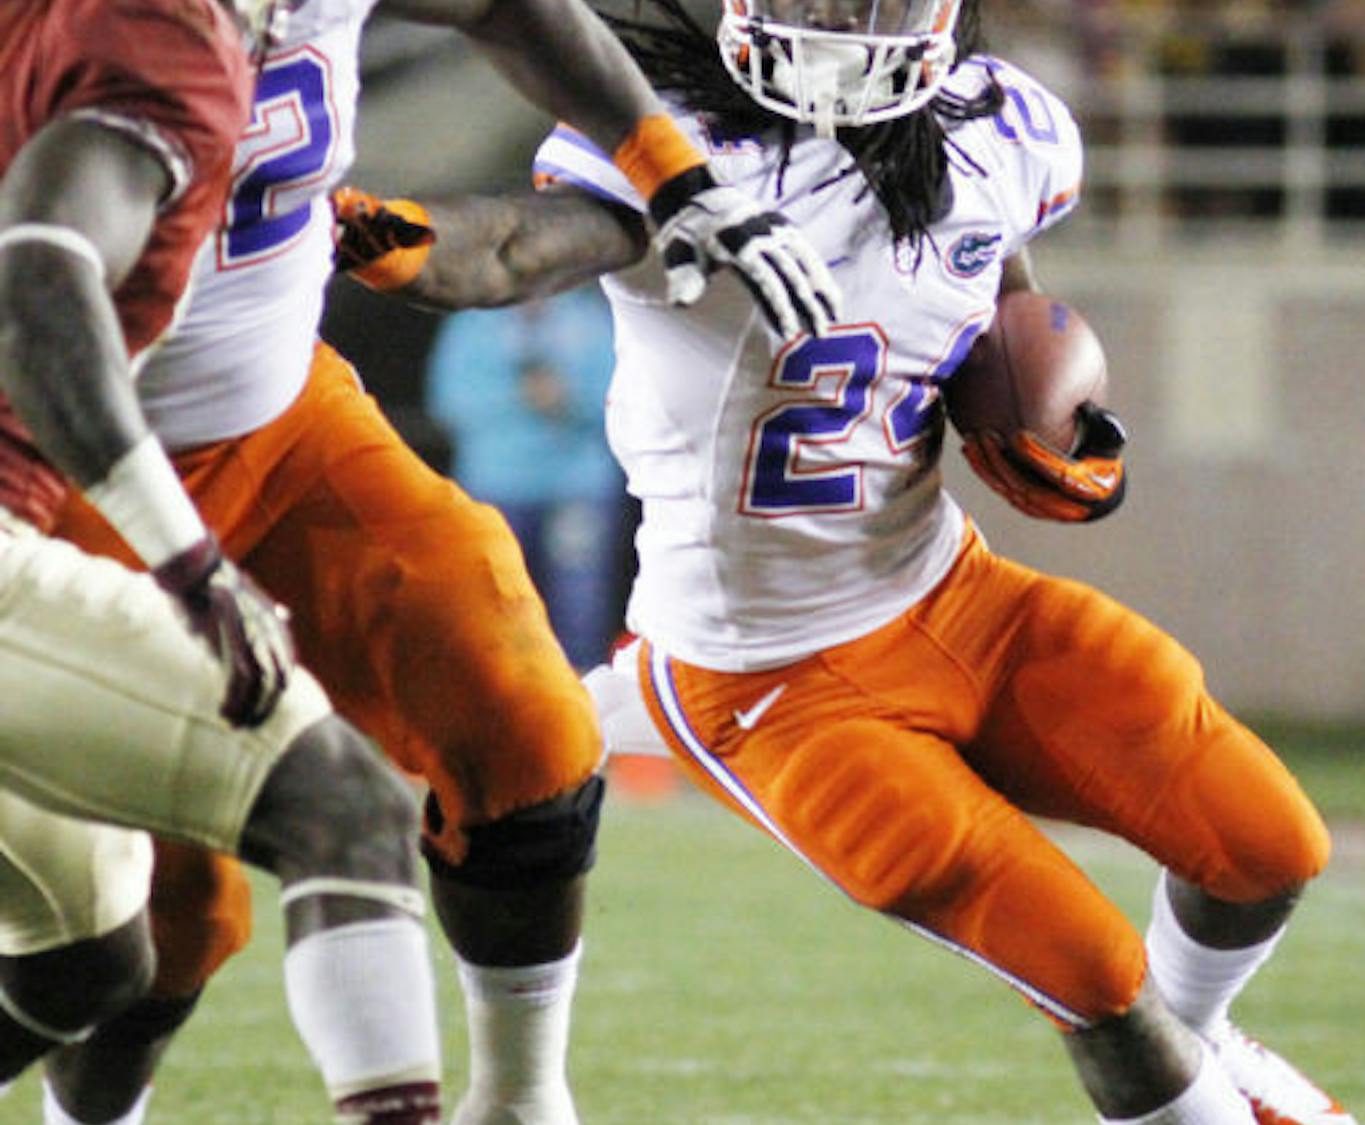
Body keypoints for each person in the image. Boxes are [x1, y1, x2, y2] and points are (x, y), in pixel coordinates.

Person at [331, 1, 1363, 1122]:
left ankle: (1203, 1043)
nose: (830, 16)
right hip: (769, 679)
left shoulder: (998, 130)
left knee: (1268, 843)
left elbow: (993, 285)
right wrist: (375, 234)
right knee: (1094, 974)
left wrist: (1036, 412)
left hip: (952, 596)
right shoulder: (675, 146)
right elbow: (521, 246)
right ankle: (1189, 1077)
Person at [46, 1, 840, 1123]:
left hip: (280, 422)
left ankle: (520, 1101)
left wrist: (672, 169)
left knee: (526, 722)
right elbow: (40, 291)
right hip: (58, 467)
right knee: (160, 922)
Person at [0, 2, 443, 1123]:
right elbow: (38, 284)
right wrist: (190, 563)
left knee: (85, 967)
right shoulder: (162, 34)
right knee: (344, 805)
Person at [425, 289, 628, 670]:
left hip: (577, 487)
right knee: (494, 602)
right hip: (497, 484)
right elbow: (448, 402)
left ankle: (580, 701)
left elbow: (625, 402)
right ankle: (499, 695)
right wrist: (521, 398)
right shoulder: (473, 325)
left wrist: (569, 400)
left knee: (579, 605)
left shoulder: (590, 321)